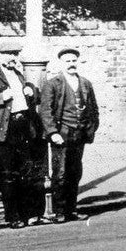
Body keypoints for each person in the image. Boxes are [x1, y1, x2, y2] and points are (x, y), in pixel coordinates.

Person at [0, 39, 45, 229]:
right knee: (8, 175)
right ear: (0, 55)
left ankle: (27, 214)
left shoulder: (19, 75)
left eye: (15, 54)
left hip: (22, 128)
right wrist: (1, 97)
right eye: (9, 54)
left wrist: (31, 91)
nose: (13, 58)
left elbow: (31, 98)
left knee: (25, 173)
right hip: (3, 130)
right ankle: (12, 217)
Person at [38, 47, 99, 223]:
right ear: (61, 63)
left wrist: (91, 128)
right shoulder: (53, 84)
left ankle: (72, 210)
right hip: (61, 133)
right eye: (68, 61)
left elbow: (94, 109)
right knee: (60, 173)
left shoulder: (85, 83)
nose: (71, 64)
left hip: (79, 134)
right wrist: (52, 132)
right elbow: (46, 111)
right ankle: (59, 211)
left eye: (74, 60)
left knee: (75, 172)